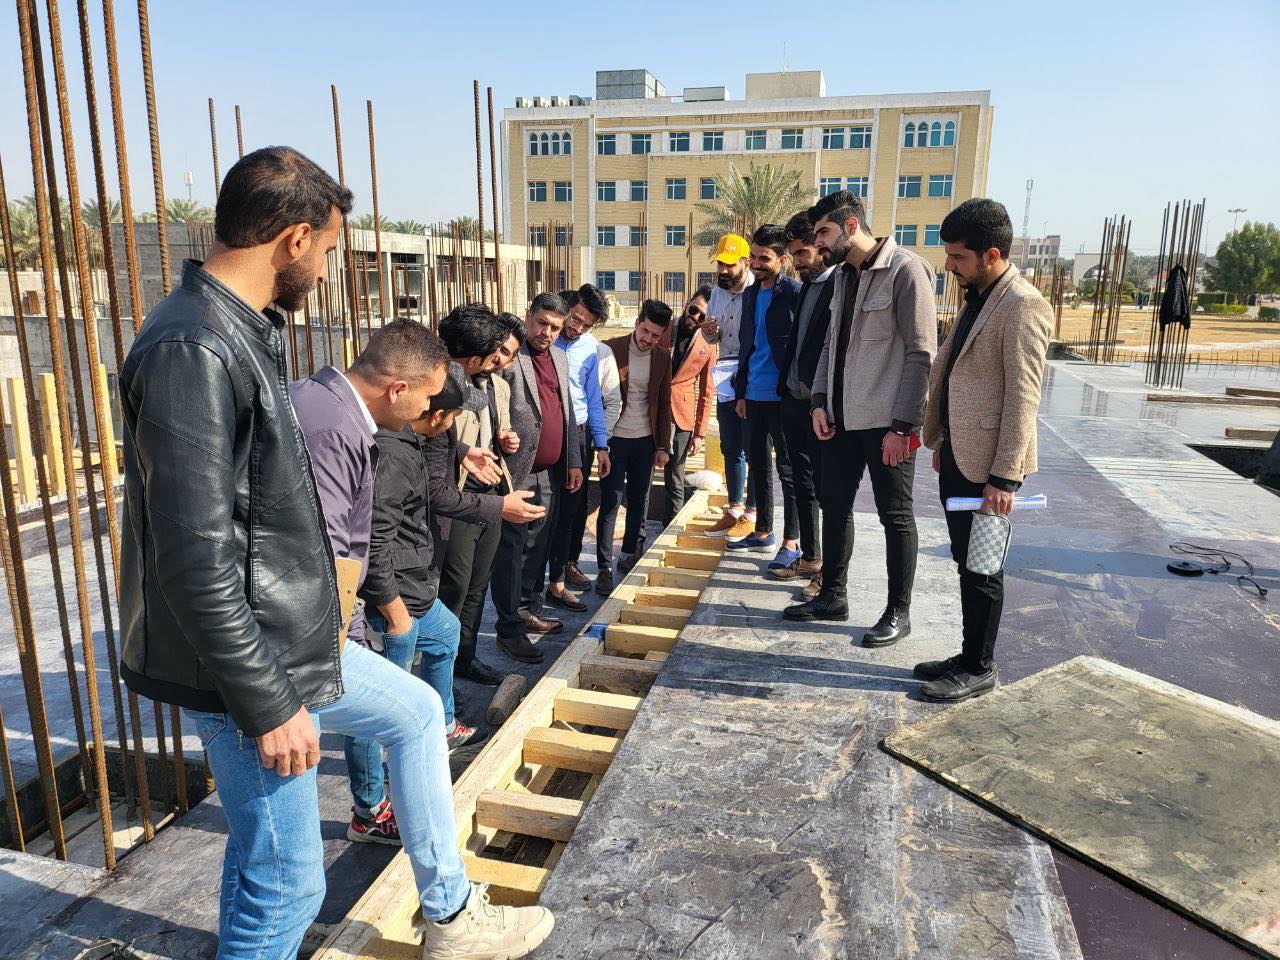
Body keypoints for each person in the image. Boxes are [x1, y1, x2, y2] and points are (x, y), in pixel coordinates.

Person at [117, 146, 552, 960]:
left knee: (414, 714)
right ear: (293, 238)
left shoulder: (234, 331)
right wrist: (269, 700)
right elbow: (191, 552)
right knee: (287, 881)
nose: (323, 271)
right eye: (326, 250)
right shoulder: (195, 347)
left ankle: (452, 918)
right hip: (248, 665)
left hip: (289, 640)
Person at [339, 360, 484, 848]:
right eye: (447, 415)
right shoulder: (393, 455)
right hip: (390, 600)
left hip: (413, 589)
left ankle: (440, 726)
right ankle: (369, 811)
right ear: (434, 414)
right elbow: (373, 543)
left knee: (445, 636)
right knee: (373, 710)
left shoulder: (408, 441)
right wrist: (394, 612)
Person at [785, 189, 936, 655]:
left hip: (887, 424)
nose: (819, 242)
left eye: (824, 232)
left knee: (895, 516)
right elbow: (831, 345)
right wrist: (819, 401)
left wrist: (903, 426)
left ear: (851, 226)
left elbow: (922, 353)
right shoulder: (843, 277)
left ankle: (898, 612)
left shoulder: (906, 271)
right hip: (840, 420)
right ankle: (833, 596)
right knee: (834, 505)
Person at [916, 199, 1052, 701]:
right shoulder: (979, 295)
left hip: (991, 467)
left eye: (958, 256)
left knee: (983, 566)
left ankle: (980, 666)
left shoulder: (1023, 305)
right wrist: (944, 439)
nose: (949, 265)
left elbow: (1023, 398)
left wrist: (1005, 478)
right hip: (961, 452)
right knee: (964, 560)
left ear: (991, 254)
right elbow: (958, 373)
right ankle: (968, 652)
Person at [436, 307, 543, 690]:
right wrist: (465, 450)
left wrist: (506, 441)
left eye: (508, 355)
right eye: (498, 351)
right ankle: (441, 672)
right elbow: (435, 437)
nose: (500, 360)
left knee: (477, 586)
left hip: (493, 492)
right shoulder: (447, 381)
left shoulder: (498, 386)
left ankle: (465, 659)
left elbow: (501, 432)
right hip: (459, 495)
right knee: (455, 586)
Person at [492, 293, 583, 662]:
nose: (547, 332)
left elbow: (566, 412)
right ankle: (509, 628)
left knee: (538, 545)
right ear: (528, 315)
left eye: (555, 327)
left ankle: (529, 609)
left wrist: (574, 461)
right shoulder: (511, 355)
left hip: (548, 470)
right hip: (515, 471)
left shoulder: (559, 357)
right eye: (542, 323)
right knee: (512, 550)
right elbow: (493, 405)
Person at [730, 224, 803, 576]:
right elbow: (747, 345)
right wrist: (741, 392)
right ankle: (763, 531)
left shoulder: (795, 293)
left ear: (782, 260)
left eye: (764, 258)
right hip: (752, 395)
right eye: (753, 257)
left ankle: (792, 542)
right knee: (758, 465)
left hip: (783, 397)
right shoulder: (749, 295)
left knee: (788, 470)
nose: (756, 264)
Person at [775, 211, 837, 598]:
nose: (797, 261)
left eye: (802, 252)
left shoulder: (840, 286)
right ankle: (811, 557)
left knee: (829, 491)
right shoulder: (807, 287)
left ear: (820, 245)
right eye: (794, 254)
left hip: (822, 407)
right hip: (794, 401)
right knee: (803, 483)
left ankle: (829, 572)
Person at [546, 284, 616, 611]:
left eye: (586, 325)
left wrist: (601, 445)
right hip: (547, 431)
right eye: (575, 319)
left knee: (573, 506)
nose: (577, 328)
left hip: (579, 434)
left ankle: (561, 575)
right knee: (544, 507)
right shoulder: (545, 338)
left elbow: (593, 399)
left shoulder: (590, 348)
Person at [596, 300, 674, 590]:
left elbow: (664, 404)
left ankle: (629, 554)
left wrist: (663, 446)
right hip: (615, 440)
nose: (648, 339)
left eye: (655, 335)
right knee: (611, 502)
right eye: (645, 331)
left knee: (639, 501)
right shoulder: (611, 349)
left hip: (645, 442)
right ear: (637, 323)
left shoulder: (662, 357)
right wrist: (599, 442)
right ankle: (604, 568)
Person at [701, 234, 756, 537]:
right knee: (730, 445)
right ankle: (734, 509)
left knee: (754, 446)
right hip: (725, 374)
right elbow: (712, 338)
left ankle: (753, 512)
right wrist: (710, 331)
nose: (723, 270)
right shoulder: (717, 294)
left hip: (752, 373)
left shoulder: (758, 291)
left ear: (746, 263)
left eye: (729, 265)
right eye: (720, 264)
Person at [665, 285, 717, 523]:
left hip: (681, 416)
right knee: (643, 474)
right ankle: (639, 532)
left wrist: (699, 434)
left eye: (702, 316)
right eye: (693, 309)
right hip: (652, 411)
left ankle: (671, 526)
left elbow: (707, 392)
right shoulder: (664, 328)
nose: (695, 317)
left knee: (675, 475)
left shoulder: (708, 344)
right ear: (687, 303)